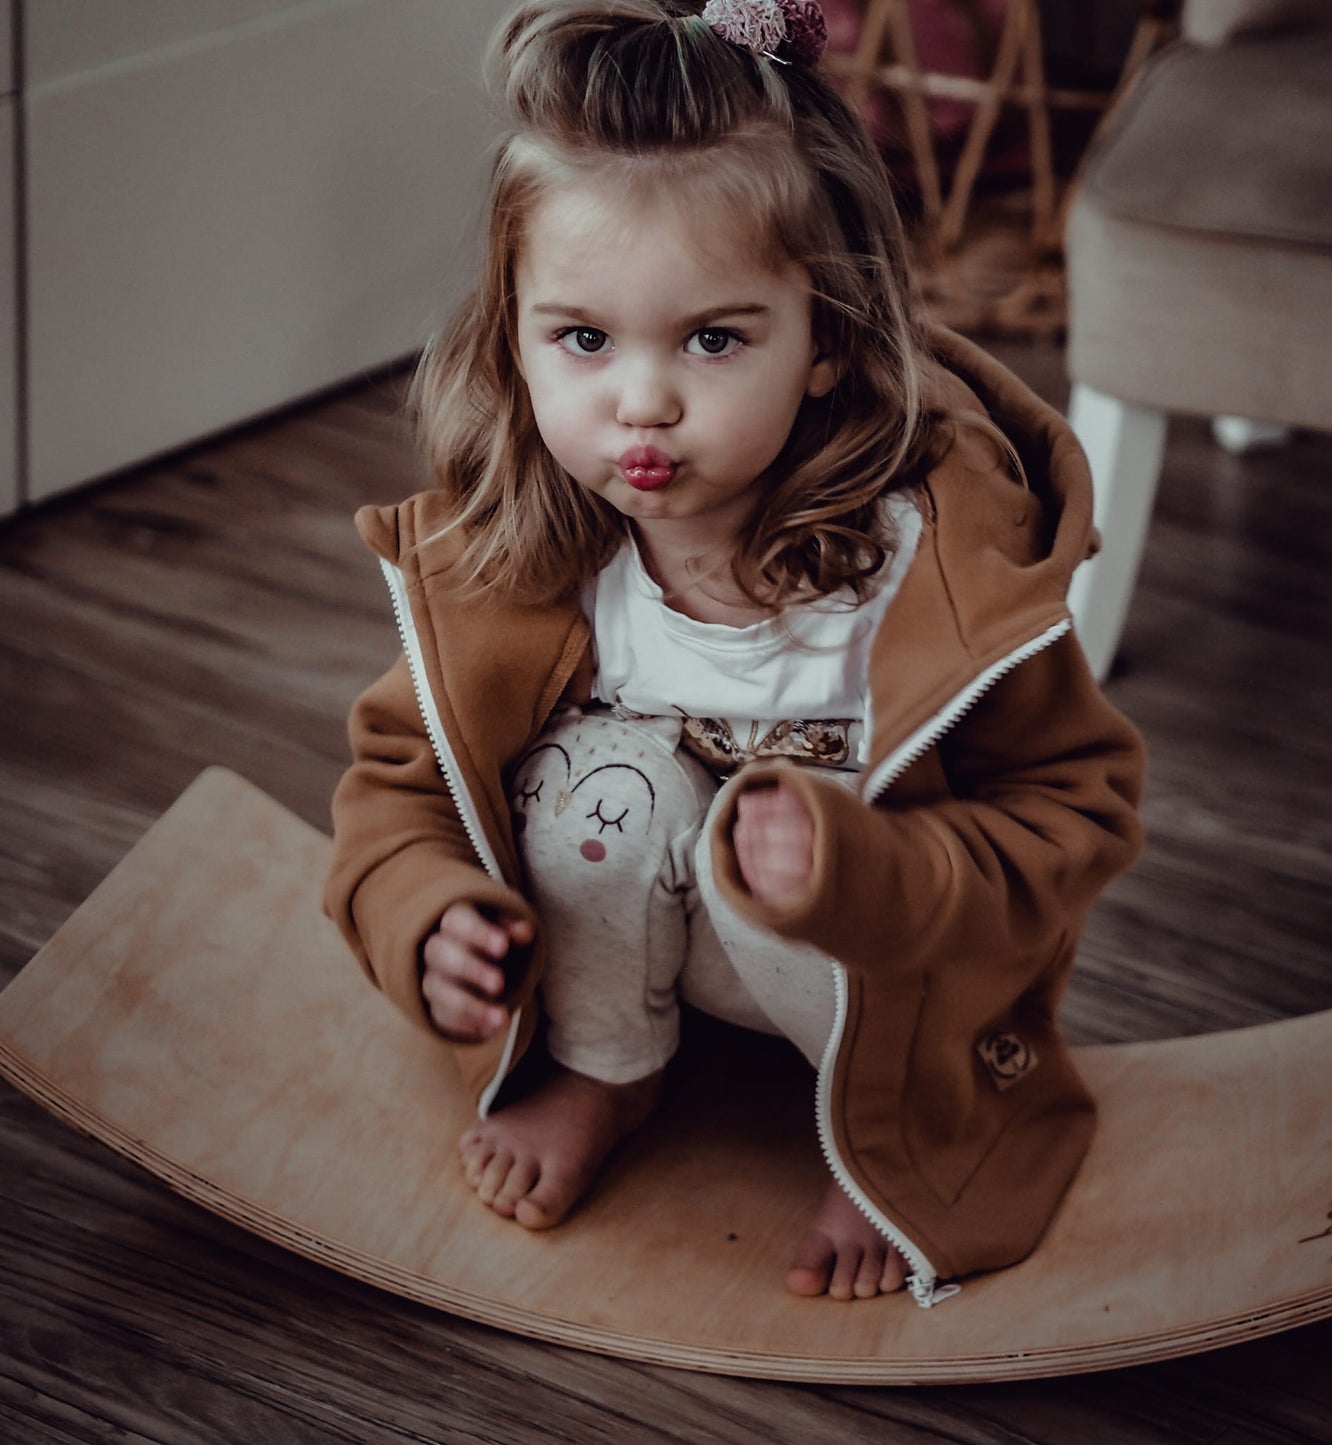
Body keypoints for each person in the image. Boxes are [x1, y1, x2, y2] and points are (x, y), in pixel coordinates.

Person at [324, 0, 1146, 1306]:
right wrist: (422, 912)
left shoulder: (922, 573)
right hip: (655, 956)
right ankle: (611, 1065)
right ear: (514, 334)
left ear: (823, 340)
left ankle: (876, 1135)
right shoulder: (532, 565)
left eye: (713, 338)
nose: (639, 400)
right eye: (582, 338)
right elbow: (395, 789)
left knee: (778, 841)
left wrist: (867, 866)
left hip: (888, 992)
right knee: (607, 781)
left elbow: (1079, 815)